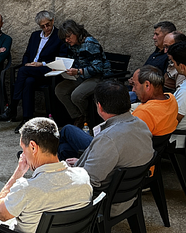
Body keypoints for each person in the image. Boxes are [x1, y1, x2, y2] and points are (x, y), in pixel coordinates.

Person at [0, 117, 92, 233]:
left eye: (23, 148)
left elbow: (0, 214)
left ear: (33, 147)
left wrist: (18, 173)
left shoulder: (26, 188)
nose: (23, 154)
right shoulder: (82, 176)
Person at [61, 81, 153, 215]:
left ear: (99, 107)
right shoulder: (141, 125)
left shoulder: (108, 138)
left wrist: (64, 172)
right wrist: (79, 163)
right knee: (64, 148)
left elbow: (87, 182)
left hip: (104, 201)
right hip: (128, 195)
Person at [0, 11, 66, 131]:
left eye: (48, 25)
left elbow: (61, 58)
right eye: (43, 26)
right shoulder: (35, 35)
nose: (46, 28)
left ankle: (13, 107)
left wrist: (42, 63)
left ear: (53, 21)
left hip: (47, 70)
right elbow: (27, 54)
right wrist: (27, 64)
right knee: (28, 81)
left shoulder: (59, 35)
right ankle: (26, 119)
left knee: (23, 72)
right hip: (31, 71)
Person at [54, 20, 111, 127]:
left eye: (68, 36)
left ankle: (88, 118)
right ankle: (78, 116)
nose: (67, 40)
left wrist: (78, 71)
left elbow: (98, 68)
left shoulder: (90, 43)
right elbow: (72, 61)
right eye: (64, 38)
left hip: (98, 77)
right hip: (81, 76)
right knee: (60, 90)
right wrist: (62, 68)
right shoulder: (72, 45)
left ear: (75, 32)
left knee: (77, 95)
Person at [128, 21, 176, 102]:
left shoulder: (169, 57)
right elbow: (144, 69)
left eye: (157, 34)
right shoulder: (156, 52)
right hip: (136, 89)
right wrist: (133, 79)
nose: (154, 37)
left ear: (167, 35)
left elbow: (162, 83)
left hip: (147, 96)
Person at [130, 65, 179, 136]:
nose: (133, 90)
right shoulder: (171, 98)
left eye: (135, 85)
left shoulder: (144, 112)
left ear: (147, 85)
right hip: (161, 144)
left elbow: (129, 140)